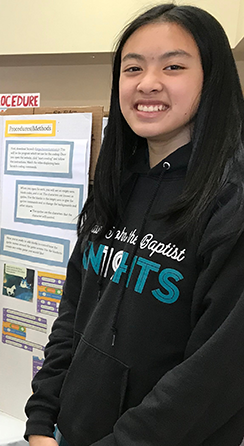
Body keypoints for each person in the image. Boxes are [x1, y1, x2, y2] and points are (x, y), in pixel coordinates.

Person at [25, 4, 244, 446]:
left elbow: (215, 374)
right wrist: (42, 419)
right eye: (132, 68)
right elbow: (73, 313)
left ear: (212, 76)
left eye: (174, 66)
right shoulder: (115, 187)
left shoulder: (230, 202)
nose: (148, 83)